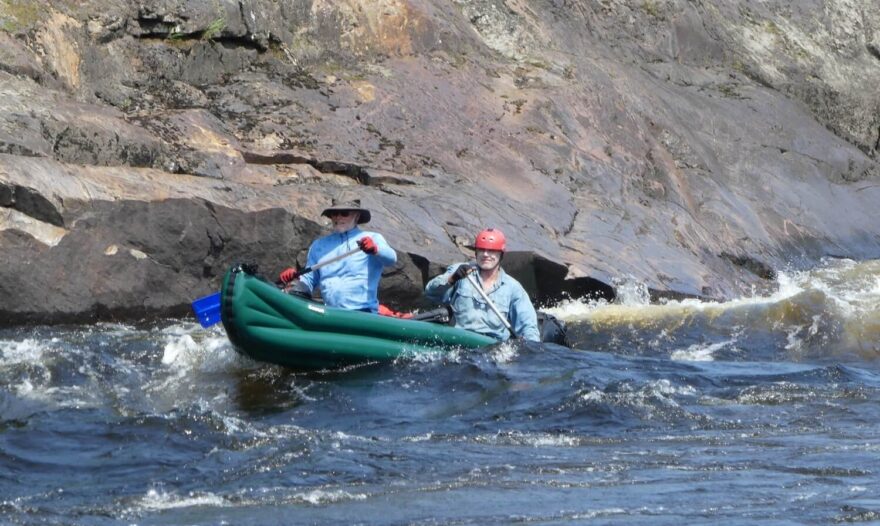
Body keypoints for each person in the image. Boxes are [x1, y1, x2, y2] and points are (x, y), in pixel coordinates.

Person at [279, 194, 397, 313]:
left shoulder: (372, 238)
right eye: (334, 213)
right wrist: (294, 280)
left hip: (364, 312)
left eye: (344, 213)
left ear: (357, 216)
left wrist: (375, 250)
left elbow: (391, 259)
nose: (338, 217)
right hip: (331, 313)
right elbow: (309, 281)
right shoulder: (319, 245)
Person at [425, 228, 540, 342]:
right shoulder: (460, 271)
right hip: (459, 341)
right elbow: (430, 292)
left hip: (492, 347)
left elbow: (528, 326)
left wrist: (530, 347)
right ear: (476, 252)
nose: (485, 254)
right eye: (481, 250)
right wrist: (452, 279)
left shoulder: (513, 288)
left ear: (501, 255)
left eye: (491, 251)